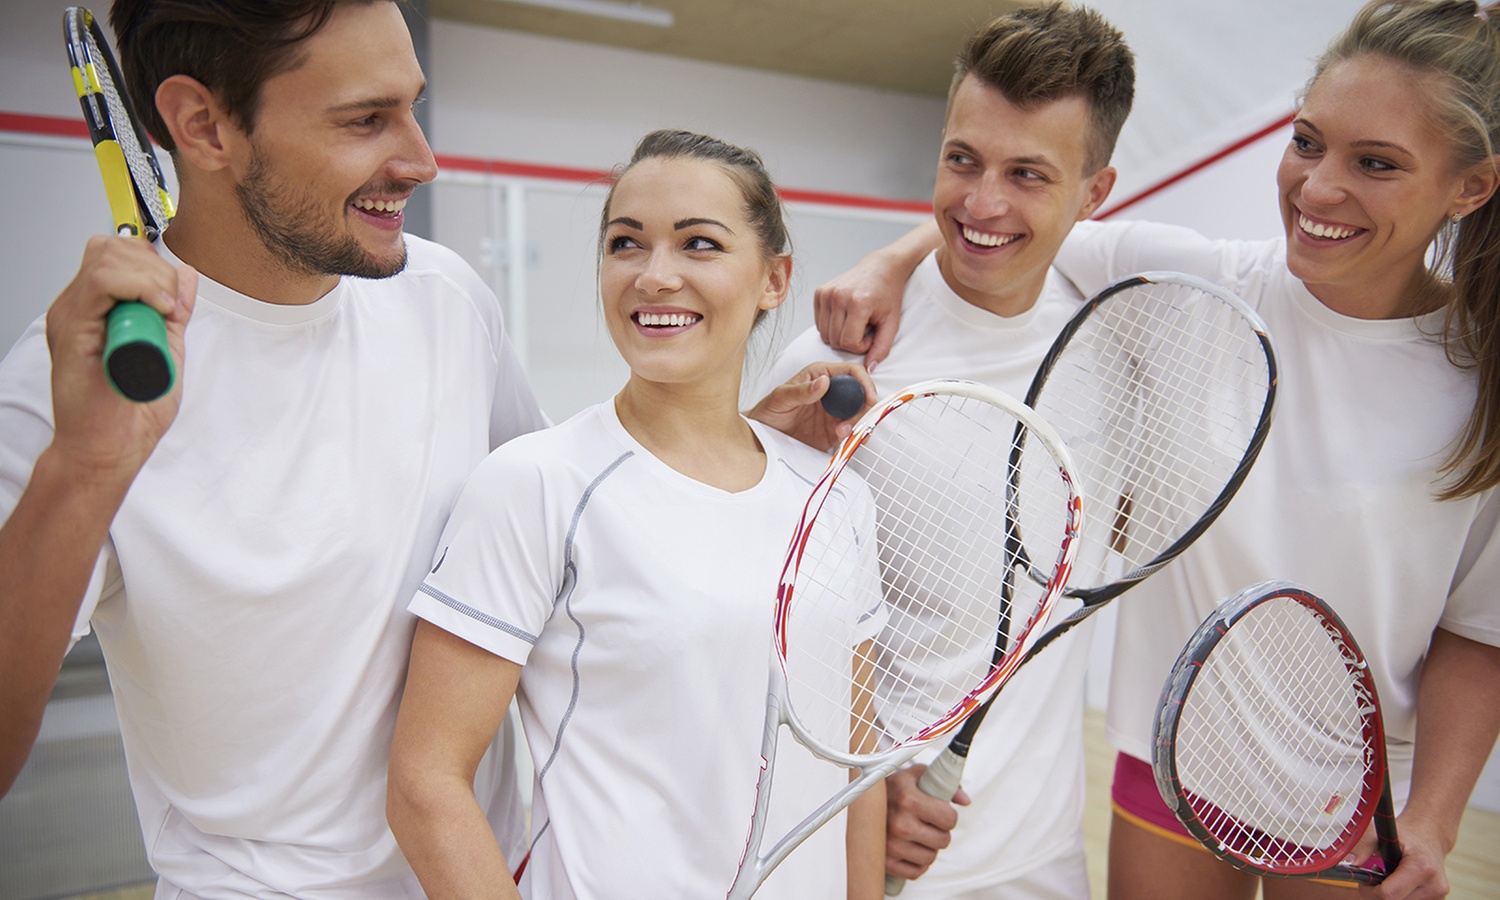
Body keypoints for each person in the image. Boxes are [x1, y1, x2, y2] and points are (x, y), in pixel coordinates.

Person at [812, 3, 1500, 898]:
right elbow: (1011, 218)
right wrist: (888, 263)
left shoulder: (1477, 386)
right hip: (1166, 767)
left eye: (1375, 164)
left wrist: (1437, 822)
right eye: (1306, 142)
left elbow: (1478, 633)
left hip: (1354, 802)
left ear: (1471, 187)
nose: (1319, 188)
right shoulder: (1190, 284)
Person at [0, 1, 550, 895]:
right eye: (366, 119)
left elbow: (560, 543)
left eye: (413, 105)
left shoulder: (445, 297)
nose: (421, 158)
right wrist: (85, 470)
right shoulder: (61, 390)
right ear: (203, 125)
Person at [385, 129, 886, 899]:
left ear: (773, 279)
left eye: (698, 245)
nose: (655, 277)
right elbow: (425, 783)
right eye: (626, 243)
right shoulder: (535, 484)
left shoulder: (837, 497)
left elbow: (857, 768)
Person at [757, 5, 1134, 897]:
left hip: (1043, 864)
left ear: (1095, 194)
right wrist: (853, 786)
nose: (981, 204)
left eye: (1029, 174)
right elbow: (754, 614)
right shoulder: (836, 362)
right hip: (851, 847)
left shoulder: (1121, 353)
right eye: (962, 158)